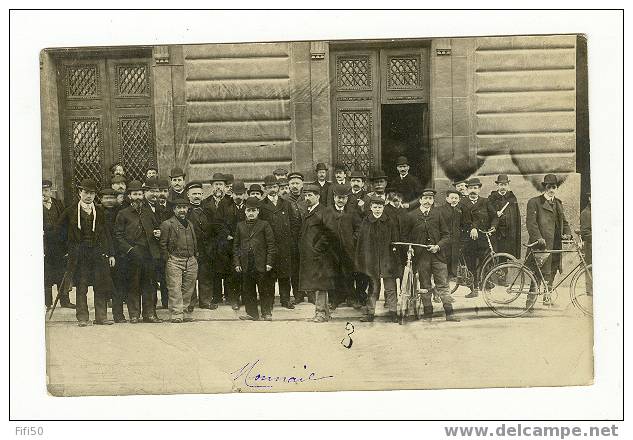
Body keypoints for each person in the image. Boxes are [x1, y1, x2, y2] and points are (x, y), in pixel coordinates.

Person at [57, 179, 116, 326]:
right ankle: (83, 317)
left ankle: (101, 317)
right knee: (82, 286)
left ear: (95, 195)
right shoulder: (70, 211)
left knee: (100, 285)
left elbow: (107, 234)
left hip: (97, 253)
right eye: (86, 192)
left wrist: (111, 253)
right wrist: (66, 250)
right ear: (80, 193)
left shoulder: (100, 211)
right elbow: (59, 232)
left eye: (91, 193)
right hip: (79, 254)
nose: (89, 196)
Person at [402, 189, 460, 322]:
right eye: (425, 198)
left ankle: (449, 313)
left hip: (438, 256)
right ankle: (428, 313)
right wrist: (409, 249)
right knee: (425, 285)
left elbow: (447, 235)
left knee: (443, 284)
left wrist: (438, 246)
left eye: (431, 199)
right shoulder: (411, 216)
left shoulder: (438, 215)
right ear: (420, 200)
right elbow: (404, 237)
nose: (428, 201)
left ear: (433, 201)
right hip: (421, 257)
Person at [114, 180, 163, 324]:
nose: (138, 197)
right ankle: (134, 314)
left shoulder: (149, 212)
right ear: (129, 196)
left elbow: (156, 228)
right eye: (135, 194)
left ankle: (150, 314)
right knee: (133, 284)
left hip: (149, 254)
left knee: (149, 285)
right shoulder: (123, 214)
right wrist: (129, 249)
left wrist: (157, 233)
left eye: (140, 194)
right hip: (132, 254)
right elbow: (118, 235)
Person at [526, 174, 571, 307]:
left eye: (554, 187)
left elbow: (564, 222)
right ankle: (530, 300)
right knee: (538, 271)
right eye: (549, 187)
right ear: (544, 187)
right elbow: (531, 223)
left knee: (552, 270)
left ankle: (547, 295)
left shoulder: (558, 203)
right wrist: (538, 238)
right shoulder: (534, 202)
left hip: (555, 243)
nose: (552, 189)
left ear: (557, 188)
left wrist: (567, 234)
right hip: (542, 244)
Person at [354, 196, 400, 322]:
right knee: (373, 288)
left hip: (387, 260)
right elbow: (361, 242)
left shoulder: (389, 222)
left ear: (383, 208)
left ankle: (393, 312)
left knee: (390, 288)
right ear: (370, 207)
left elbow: (395, 241)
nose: (378, 209)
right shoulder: (366, 222)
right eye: (375, 207)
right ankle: (370, 313)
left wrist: (394, 258)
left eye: (380, 207)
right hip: (372, 261)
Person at [234, 197, 276, 321]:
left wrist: (269, 262)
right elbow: (236, 246)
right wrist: (237, 262)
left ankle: (266, 313)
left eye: (254, 210)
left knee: (264, 289)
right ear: (245, 212)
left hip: (261, 263)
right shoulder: (240, 226)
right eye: (248, 210)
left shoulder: (264, 224)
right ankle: (252, 313)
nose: (251, 213)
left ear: (258, 211)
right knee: (248, 289)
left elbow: (271, 245)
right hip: (246, 263)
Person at [300, 183, 337, 322]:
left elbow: (330, 234)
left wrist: (318, 248)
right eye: (306, 195)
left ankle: (320, 313)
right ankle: (325, 313)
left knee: (320, 284)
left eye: (310, 195)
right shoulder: (308, 211)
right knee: (318, 284)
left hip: (321, 256)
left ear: (318, 197)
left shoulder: (325, 211)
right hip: (311, 255)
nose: (307, 198)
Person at [159, 198, 199, 323]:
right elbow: (163, 244)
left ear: (187, 209)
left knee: (188, 288)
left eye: (184, 207)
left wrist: (194, 257)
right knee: (175, 288)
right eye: (179, 208)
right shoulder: (167, 224)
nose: (182, 210)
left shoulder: (190, 223)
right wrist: (169, 259)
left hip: (190, 260)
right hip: (175, 260)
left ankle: (185, 312)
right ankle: (176, 314)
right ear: (174, 209)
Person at [259, 175, 295, 309]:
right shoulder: (261, 206)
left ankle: (285, 300)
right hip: (269, 246)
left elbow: (294, 223)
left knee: (285, 274)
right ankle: (269, 301)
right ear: (265, 189)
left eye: (274, 187)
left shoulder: (286, 204)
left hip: (285, 245)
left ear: (279, 188)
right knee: (269, 274)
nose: (272, 190)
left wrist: (290, 240)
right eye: (269, 187)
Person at [323, 183, 361, 310]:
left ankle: (351, 298)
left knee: (348, 274)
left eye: (343, 198)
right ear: (334, 198)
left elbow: (359, 229)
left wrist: (351, 240)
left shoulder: (351, 212)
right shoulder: (327, 212)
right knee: (333, 275)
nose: (340, 200)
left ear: (347, 198)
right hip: (331, 251)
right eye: (338, 197)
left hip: (348, 250)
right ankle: (335, 300)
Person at [460, 177, 497, 298]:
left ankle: (486, 287)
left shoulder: (485, 202)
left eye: (475, 188)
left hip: (482, 238)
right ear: (467, 189)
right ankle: (473, 288)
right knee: (470, 264)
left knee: (484, 262)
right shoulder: (462, 203)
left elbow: (495, 217)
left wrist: (493, 226)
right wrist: (472, 228)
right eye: (470, 188)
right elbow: (462, 221)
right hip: (468, 238)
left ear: (479, 189)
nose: (473, 191)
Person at [215, 180, 248, 310]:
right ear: (231, 193)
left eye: (241, 194)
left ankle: (246, 297)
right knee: (232, 273)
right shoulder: (224, 204)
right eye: (236, 194)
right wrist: (227, 235)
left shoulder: (248, 205)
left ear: (245, 193)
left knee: (245, 272)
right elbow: (218, 223)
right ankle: (233, 299)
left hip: (245, 244)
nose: (238, 197)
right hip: (230, 245)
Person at [42, 179, 74, 310]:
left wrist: (66, 243)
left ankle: (64, 300)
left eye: (47, 190)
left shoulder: (58, 204)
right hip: (44, 246)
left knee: (62, 272)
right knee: (46, 274)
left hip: (59, 245)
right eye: (42, 191)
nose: (44, 193)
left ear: (51, 191)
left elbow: (65, 223)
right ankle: (47, 303)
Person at [186, 181, 217, 310]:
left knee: (205, 275)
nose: (197, 196)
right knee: (191, 276)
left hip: (206, 249)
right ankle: (190, 303)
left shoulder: (208, 210)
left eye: (199, 193)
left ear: (203, 194)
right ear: (188, 195)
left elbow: (214, 228)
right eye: (194, 194)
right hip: (191, 249)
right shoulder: (185, 211)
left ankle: (205, 301)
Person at [99, 188, 127, 322]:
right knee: (102, 284)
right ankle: (101, 315)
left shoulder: (121, 213)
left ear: (117, 199)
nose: (109, 200)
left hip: (119, 254)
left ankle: (118, 314)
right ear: (101, 199)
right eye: (106, 198)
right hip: (103, 252)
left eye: (112, 198)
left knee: (119, 284)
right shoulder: (97, 212)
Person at [203, 173, 229, 305]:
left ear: (225, 187)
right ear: (211, 186)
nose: (218, 187)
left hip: (227, 241)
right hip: (213, 242)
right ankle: (217, 296)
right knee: (215, 271)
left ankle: (230, 296)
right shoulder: (205, 202)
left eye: (221, 185)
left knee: (229, 269)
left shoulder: (230, 201)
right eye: (216, 185)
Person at [487, 174, 521, 259]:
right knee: (497, 254)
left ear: (508, 185)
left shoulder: (512, 198)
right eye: (501, 185)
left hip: (509, 232)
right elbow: (488, 214)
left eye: (505, 185)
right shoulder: (492, 198)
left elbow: (516, 216)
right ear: (497, 185)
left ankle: (504, 271)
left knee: (507, 255)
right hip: (497, 232)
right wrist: (495, 213)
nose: (503, 187)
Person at [287, 172, 308, 304]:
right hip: (292, 239)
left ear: (302, 185)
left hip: (307, 237)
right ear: (289, 185)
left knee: (309, 265)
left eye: (297, 183)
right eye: (292, 183)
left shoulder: (307, 198)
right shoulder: (284, 199)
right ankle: (298, 295)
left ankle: (311, 294)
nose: (295, 186)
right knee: (295, 267)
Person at [437, 189, 463, 279]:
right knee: (445, 260)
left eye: (456, 198)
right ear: (447, 198)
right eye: (452, 198)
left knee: (454, 259)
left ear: (459, 199)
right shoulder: (440, 210)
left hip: (456, 240)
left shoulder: (460, 210)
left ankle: (451, 276)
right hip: (444, 240)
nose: (454, 200)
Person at [579, 192, 592, 296]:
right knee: (590, 268)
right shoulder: (586, 213)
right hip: (591, 246)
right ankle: (590, 290)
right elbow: (585, 232)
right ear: (589, 198)